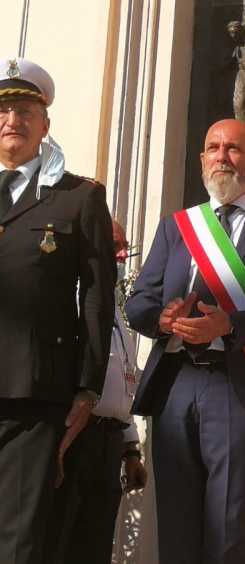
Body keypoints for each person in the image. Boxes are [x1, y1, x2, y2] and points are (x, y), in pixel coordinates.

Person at [125, 119, 245, 563]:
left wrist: (229, 325)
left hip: (235, 384)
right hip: (175, 384)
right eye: (213, 148)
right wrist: (163, 319)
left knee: (227, 525)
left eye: (233, 149)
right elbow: (139, 302)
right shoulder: (177, 226)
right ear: (202, 159)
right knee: (175, 523)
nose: (221, 156)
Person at [0, 58, 116, 564]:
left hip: (34, 391)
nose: (12, 121)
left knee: (18, 540)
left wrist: (87, 387)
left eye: (25, 111)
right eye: (3, 111)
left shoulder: (78, 198)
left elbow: (97, 297)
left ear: (44, 124)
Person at [44, 221, 147, 563]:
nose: (122, 256)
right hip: (74, 439)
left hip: (109, 444)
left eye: (125, 247)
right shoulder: (69, 298)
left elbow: (123, 381)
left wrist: (131, 448)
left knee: (96, 544)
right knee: (59, 540)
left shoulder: (114, 307)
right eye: (114, 245)